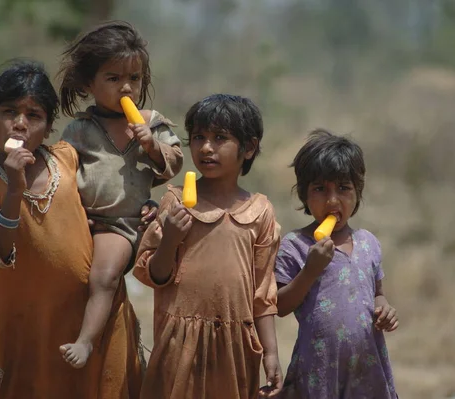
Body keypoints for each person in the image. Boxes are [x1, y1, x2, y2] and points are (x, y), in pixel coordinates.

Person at [0, 60, 150, 399]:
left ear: (48, 127)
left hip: (94, 314)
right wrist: (14, 189)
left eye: (34, 115)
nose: (20, 124)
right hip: (31, 321)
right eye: (9, 112)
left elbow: (112, 195)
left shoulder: (68, 158)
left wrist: (146, 207)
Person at [133, 94, 283, 399]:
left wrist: (271, 353)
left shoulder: (260, 212)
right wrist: (170, 239)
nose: (206, 148)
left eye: (220, 138)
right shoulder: (175, 202)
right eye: (198, 137)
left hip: (236, 345)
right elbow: (154, 275)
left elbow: (263, 294)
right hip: (180, 340)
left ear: (249, 147)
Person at [56, 21, 183, 368]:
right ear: (89, 84)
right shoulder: (81, 129)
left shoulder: (151, 121)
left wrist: (152, 145)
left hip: (120, 224)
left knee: (104, 277)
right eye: (113, 79)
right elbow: (61, 170)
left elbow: (174, 162)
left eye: (135, 78)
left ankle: (86, 342)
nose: (126, 87)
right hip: (81, 221)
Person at [275, 129, 399, 399]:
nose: (332, 200)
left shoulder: (368, 243)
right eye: (320, 189)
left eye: (343, 188)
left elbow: (377, 293)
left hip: (366, 370)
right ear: (305, 196)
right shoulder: (295, 245)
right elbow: (280, 306)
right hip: (319, 371)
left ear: (357, 194)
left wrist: (385, 309)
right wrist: (310, 270)